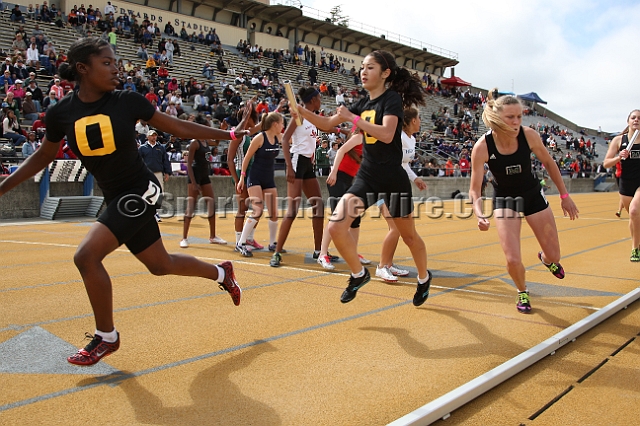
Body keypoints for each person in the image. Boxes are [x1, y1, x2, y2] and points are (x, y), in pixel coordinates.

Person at [0, 38, 247, 366]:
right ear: (82, 69)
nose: (116, 67)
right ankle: (221, 273)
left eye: (116, 61)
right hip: (115, 197)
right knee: (160, 265)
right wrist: (3, 187)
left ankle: (106, 337)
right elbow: (44, 156)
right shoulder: (61, 113)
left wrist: (228, 135)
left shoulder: (127, 101)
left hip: (141, 190)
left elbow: (177, 126)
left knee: (86, 256)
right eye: (107, 62)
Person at [293, 50, 432, 306]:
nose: (363, 72)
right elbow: (326, 124)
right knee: (336, 226)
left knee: (409, 236)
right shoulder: (362, 102)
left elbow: (388, 134)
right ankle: (359, 274)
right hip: (367, 176)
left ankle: (424, 278)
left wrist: (352, 118)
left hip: (392, 179)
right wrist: (301, 111)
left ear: (385, 73)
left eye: (370, 67)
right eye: (362, 67)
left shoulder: (391, 100)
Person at [468, 91, 579, 313]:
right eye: (511, 117)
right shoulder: (482, 147)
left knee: (554, 254)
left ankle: (546, 260)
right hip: (505, 200)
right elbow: (474, 188)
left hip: (532, 194)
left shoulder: (529, 136)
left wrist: (565, 196)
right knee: (512, 257)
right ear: (498, 117)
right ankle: (522, 292)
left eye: (519, 116)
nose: (517, 121)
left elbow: (548, 162)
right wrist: (479, 213)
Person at [270, 87, 333, 267]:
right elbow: (284, 139)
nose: (321, 101)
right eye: (319, 98)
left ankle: (319, 251)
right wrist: (289, 166)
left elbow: (328, 126)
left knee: (318, 205)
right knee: (293, 209)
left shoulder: (312, 117)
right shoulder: (299, 116)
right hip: (297, 162)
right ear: (313, 100)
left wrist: (344, 131)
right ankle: (276, 253)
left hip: (308, 165)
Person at [375, 106, 428, 282]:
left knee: (397, 228)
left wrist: (415, 179)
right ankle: (381, 267)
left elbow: (404, 166)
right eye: (419, 118)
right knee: (395, 228)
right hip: (384, 185)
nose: (420, 121)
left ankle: (388, 265)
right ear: (413, 120)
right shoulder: (396, 136)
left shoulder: (411, 140)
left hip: (398, 185)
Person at [235, 112, 284, 257]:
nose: (283, 126)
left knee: (274, 212)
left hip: (268, 178)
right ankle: (241, 243)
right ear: (275, 124)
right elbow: (247, 158)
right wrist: (242, 178)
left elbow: (292, 140)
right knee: (258, 210)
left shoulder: (278, 137)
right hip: (255, 177)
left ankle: (273, 243)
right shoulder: (259, 138)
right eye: (281, 123)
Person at [227, 101, 265, 252]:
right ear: (246, 118)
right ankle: (239, 241)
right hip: (240, 173)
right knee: (243, 208)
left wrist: (279, 109)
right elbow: (230, 159)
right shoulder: (236, 134)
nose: (254, 121)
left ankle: (248, 238)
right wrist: (237, 180)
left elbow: (262, 124)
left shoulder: (248, 133)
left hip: (252, 173)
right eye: (251, 117)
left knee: (257, 208)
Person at [603, 109, 640, 261]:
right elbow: (606, 163)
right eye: (633, 117)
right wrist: (619, 157)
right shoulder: (619, 141)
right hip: (625, 184)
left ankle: (635, 249)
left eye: (639, 118)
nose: (636, 120)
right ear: (628, 121)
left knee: (633, 211)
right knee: (634, 218)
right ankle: (636, 243)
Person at [179, 138, 228, 248]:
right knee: (191, 207)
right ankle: (184, 238)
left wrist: (222, 130)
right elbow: (189, 164)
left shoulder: (206, 141)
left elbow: (216, 142)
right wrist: (194, 183)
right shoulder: (194, 143)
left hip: (204, 175)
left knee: (211, 204)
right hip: (195, 175)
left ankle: (213, 236)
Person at [138, 129, 172, 222]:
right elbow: (138, 161)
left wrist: (167, 172)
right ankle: (147, 212)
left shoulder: (161, 148)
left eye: (155, 135)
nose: (154, 137)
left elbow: (165, 160)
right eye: (152, 135)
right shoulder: (142, 148)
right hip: (146, 173)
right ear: (147, 137)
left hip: (158, 172)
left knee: (160, 192)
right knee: (146, 191)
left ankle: (155, 211)